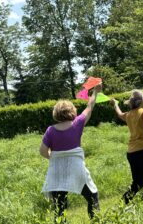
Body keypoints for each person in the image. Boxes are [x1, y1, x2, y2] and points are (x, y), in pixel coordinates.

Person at [40, 83, 102, 223]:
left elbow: (43, 151)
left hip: (56, 171)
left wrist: (54, 158)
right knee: (92, 196)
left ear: (56, 113)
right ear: (72, 111)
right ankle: (96, 220)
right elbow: (89, 106)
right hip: (76, 169)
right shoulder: (77, 123)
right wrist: (95, 92)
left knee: (60, 207)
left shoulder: (50, 130)